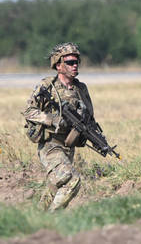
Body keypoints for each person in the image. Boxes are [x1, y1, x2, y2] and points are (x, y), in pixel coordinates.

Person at [22, 42, 94, 211]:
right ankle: (52, 218)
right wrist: (52, 119)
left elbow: (89, 116)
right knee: (72, 180)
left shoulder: (81, 88)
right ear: (58, 65)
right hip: (50, 144)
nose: (75, 65)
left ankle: (35, 219)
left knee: (54, 189)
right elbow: (29, 111)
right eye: (69, 62)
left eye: (76, 61)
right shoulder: (47, 86)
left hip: (69, 145)